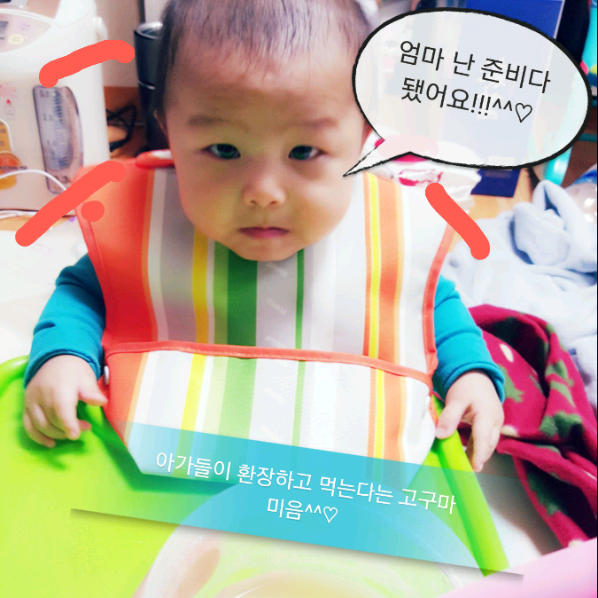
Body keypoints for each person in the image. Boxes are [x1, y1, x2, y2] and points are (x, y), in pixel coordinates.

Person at [22, 0, 504, 475]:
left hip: (340, 481)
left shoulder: (383, 233)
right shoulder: (143, 222)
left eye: (304, 151)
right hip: (155, 472)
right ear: (168, 129)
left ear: (363, 139)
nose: (263, 193)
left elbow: (427, 304)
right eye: (224, 149)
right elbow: (86, 291)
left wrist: (470, 374)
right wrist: (64, 354)